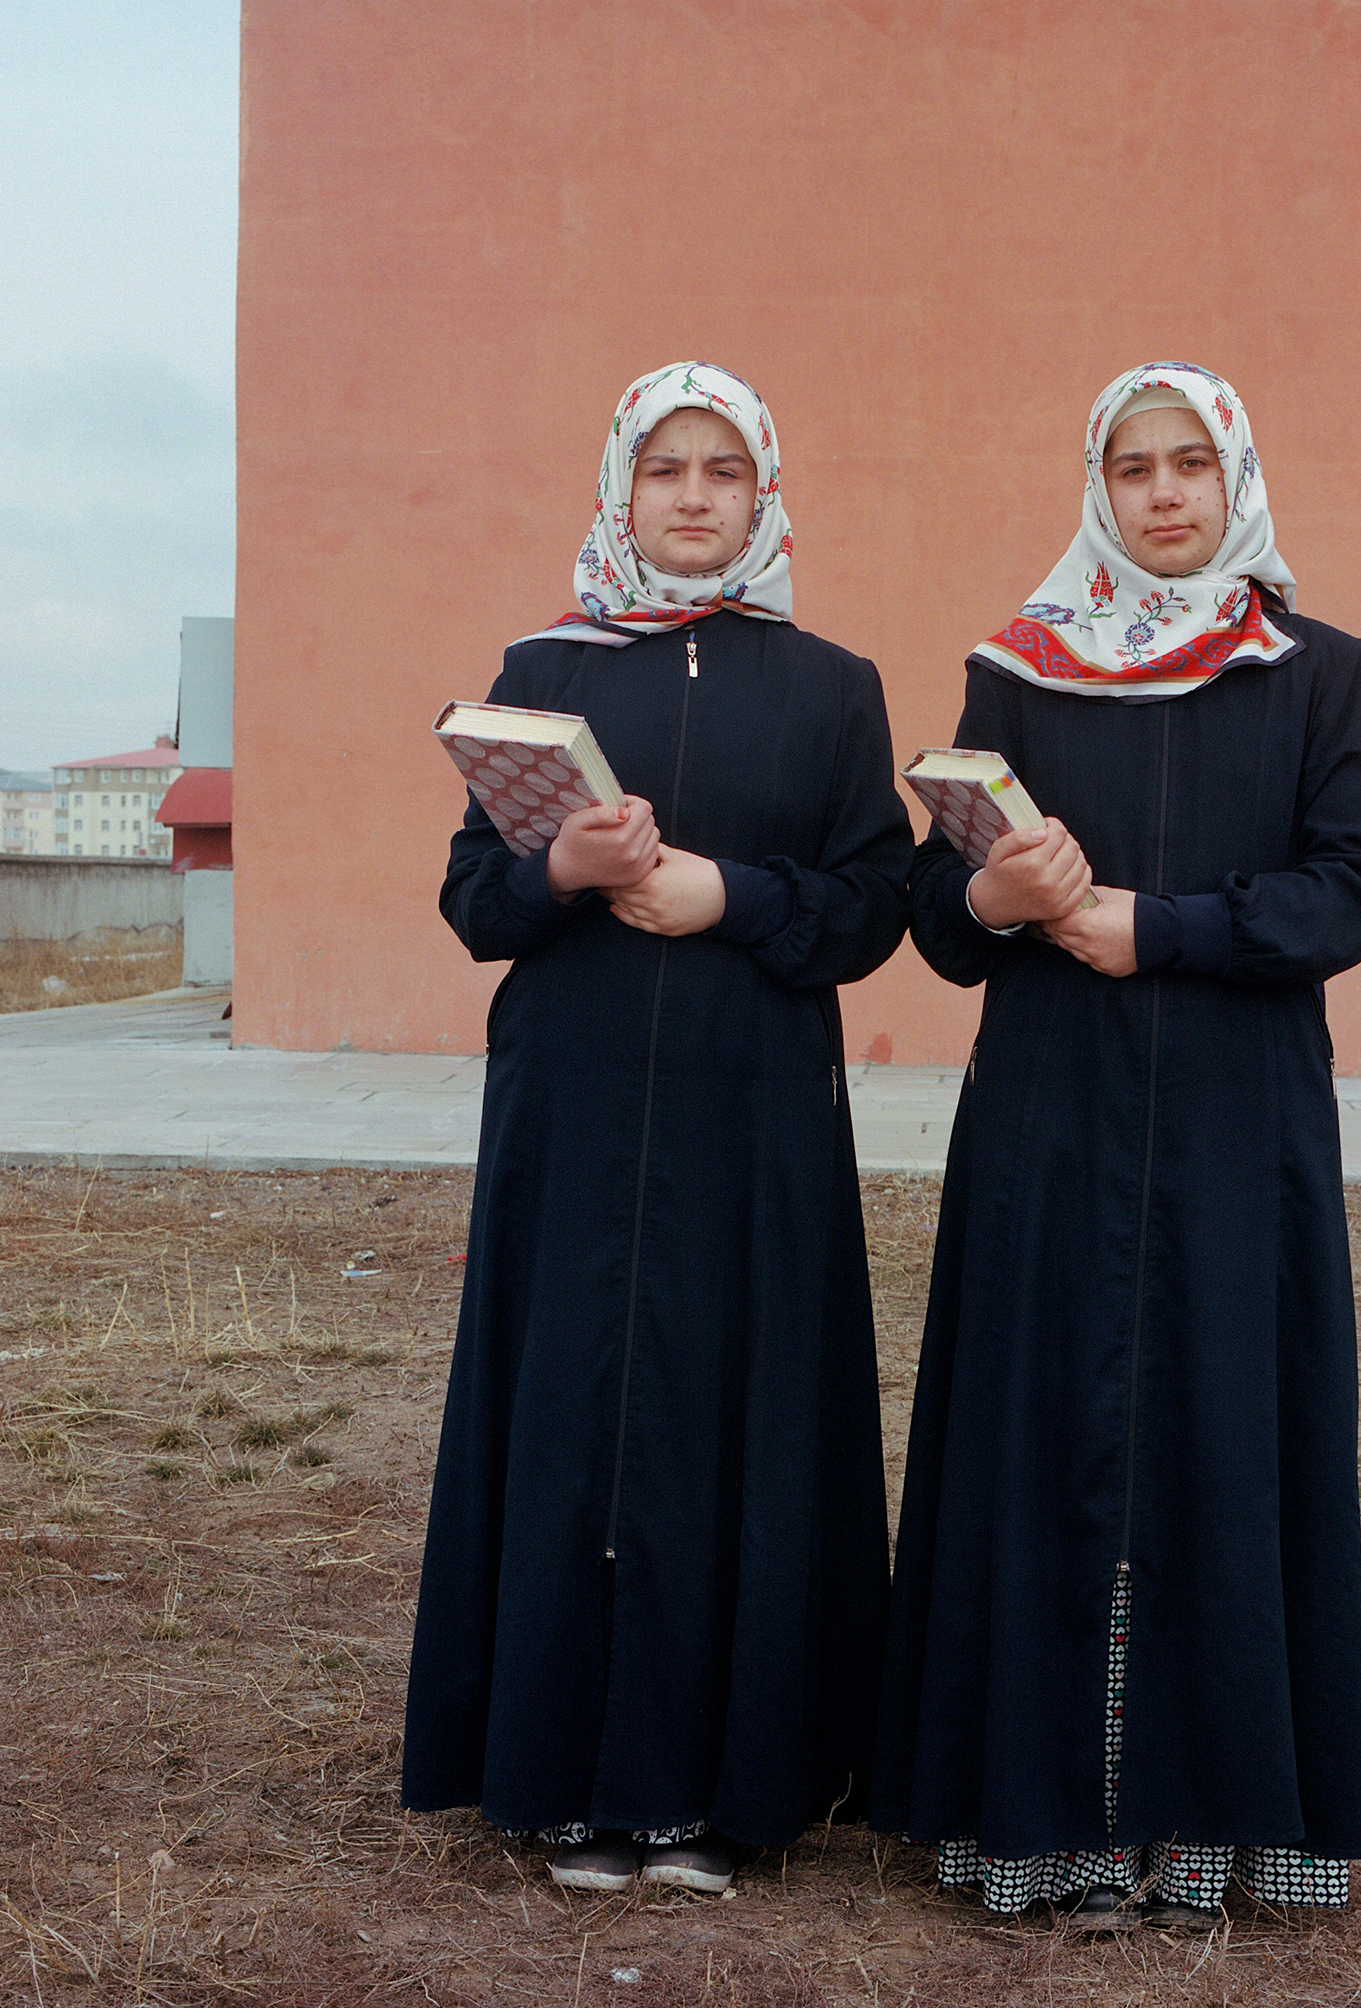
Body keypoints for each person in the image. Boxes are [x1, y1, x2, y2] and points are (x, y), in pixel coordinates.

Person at [871, 362, 1361, 1926]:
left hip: (1243, 1131)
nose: (1164, 494)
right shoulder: (1021, 674)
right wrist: (996, 898)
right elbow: (936, 919)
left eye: (1189, 464)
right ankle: (1052, 1823)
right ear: (1095, 491)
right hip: (1051, 1124)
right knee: (1050, 1439)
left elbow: (1351, 888)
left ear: (1235, 477)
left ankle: (1215, 1819)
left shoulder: (1318, 671)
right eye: (1132, 468)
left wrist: (1152, 927)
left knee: (1222, 1440)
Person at [403, 362, 913, 1899]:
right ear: (619, 490)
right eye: (664, 471)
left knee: (733, 1423)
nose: (693, 497)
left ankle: (728, 1795)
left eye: (725, 473)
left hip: (753, 1123)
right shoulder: (542, 670)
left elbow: (877, 903)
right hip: (568, 1120)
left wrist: (728, 896)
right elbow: (469, 899)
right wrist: (558, 866)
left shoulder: (831, 685)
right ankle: (569, 1785)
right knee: (575, 1417)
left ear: (765, 496)